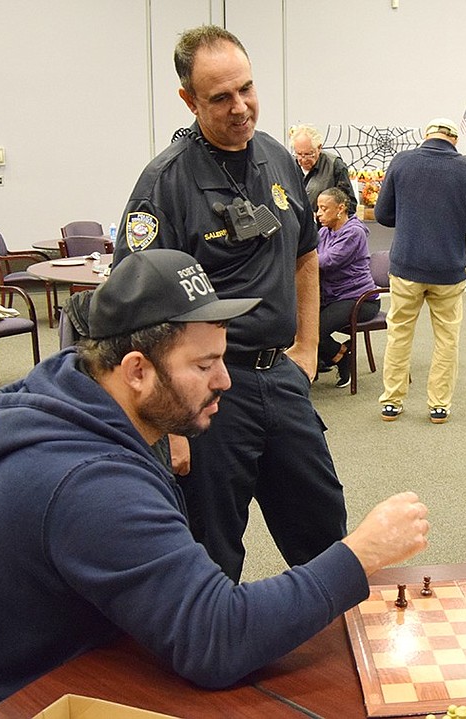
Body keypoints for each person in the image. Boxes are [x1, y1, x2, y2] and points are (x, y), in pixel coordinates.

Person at [0, 249, 431, 709]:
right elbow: (219, 639)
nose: (225, 380)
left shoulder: (87, 400)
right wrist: (362, 552)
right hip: (30, 704)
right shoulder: (90, 484)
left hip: (98, 662)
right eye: (204, 364)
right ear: (136, 372)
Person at [114, 25, 346, 581]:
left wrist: (308, 348)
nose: (240, 107)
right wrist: (166, 421)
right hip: (204, 396)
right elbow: (136, 310)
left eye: (246, 89)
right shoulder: (164, 183)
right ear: (188, 100)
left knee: (324, 533)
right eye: (220, 97)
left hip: (282, 378)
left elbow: (305, 256)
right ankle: (211, 662)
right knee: (210, 552)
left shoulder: (278, 159)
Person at [374, 117, 466, 424]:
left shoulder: (402, 162)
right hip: (448, 270)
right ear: (454, 139)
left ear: (425, 137)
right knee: (447, 338)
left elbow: (382, 214)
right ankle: (439, 405)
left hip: (406, 266)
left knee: (398, 333)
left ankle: (392, 402)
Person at [316, 187, 380, 388]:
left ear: (341, 208)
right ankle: (330, 356)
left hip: (360, 299)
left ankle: (342, 357)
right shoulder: (325, 231)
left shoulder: (354, 232)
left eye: (324, 208)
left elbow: (326, 261)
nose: (318, 213)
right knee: (297, 325)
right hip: (335, 298)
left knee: (313, 331)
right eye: (318, 208)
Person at [290, 124, 356, 215]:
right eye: (299, 154)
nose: (304, 159)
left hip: (325, 227)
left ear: (319, 148)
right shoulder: (289, 165)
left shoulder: (335, 165)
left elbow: (349, 205)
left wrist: (323, 214)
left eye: (309, 154)